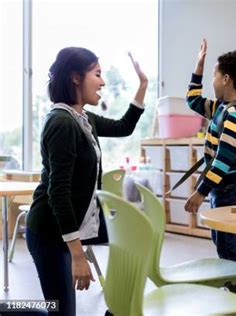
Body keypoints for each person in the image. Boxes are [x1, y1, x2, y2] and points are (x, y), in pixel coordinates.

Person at [26, 47, 148, 315]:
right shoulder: (61, 123)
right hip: (49, 231)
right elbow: (58, 193)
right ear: (75, 78)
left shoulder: (83, 118)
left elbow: (123, 127)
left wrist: (143, 85)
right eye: (97, 74)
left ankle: (118, 306)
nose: (103, 82)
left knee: (133, 234)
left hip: (76, 218)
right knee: (60, 311)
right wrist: (78, 256)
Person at [184, 39, 236, 297]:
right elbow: (192, 101)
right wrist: (200, 66)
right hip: (222, 187)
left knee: (226, 244)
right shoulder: (220, 107)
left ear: (226, 78)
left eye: (214, 75)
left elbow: (223, 160)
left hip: (231, 188)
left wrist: (201, 191)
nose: (212, 80)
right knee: (224, 241)